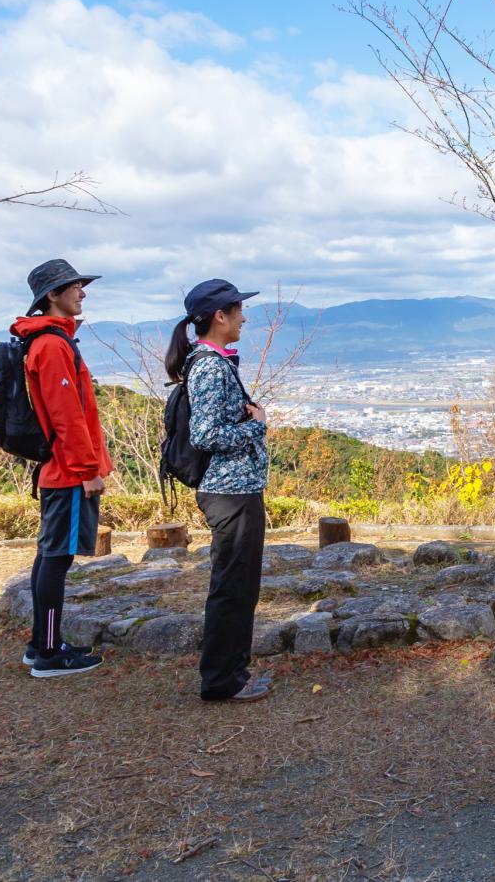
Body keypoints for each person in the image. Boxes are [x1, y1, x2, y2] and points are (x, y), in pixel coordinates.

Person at [164, 279, 271, 704]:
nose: (245, 317)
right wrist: (256, 424)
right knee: (232, 585)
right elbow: (207, 433)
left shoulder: (212, 362)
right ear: (219, 317)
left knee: (239, 583)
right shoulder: (209, 366)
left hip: (235, 489)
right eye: (238, 309)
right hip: (230, 492)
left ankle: (231, 673)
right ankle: (223, 680)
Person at [13, 258, 113, 677]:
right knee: (56, 559)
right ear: (51, 296)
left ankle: (42, 644)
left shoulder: (50, 341)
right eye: (73, 286)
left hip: (60, 469)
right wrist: (88, 468)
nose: (82, 292)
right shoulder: (52, 345)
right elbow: (66, 414)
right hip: (68, 471)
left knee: (49, 556)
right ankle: (50, 654)